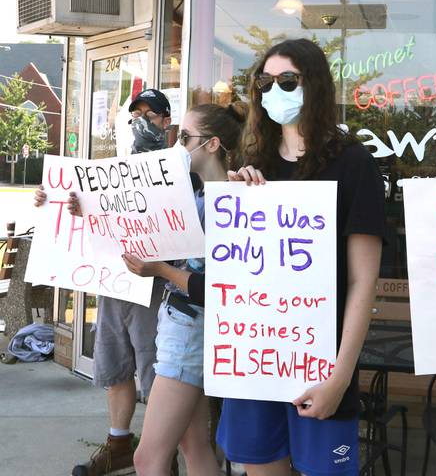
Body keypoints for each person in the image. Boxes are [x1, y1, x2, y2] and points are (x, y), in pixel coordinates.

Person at [217, 38, 385, 476]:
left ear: (316, 87)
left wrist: (340, 377)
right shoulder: (254, 161)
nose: (274, 90)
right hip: (254, 358)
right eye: (264, 82)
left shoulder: (353, 163)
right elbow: (234, 265)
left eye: (288, 80)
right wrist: (238, 204)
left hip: (320, 365)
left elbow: (362, 282)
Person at [35, 88, 178, 476]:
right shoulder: (114, 170)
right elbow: (95, 217)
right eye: (135, 117)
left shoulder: (181, 168)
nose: (141, 124)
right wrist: (56, 204)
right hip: (116, 282)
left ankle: (160, 456)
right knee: (115, 365)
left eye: (150, 116)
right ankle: (118, 444)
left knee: (157, 373)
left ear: (167, 122)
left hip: (157, 285)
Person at [120, 102, 246, 476]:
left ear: (211, 144)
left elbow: (220, 288)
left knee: (147, 458)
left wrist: (160, 270)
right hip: (183, 328)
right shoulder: (201, 198)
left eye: (186, 137)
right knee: (193, 445)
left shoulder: (229, 203)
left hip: (190, 333)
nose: (178, 145)